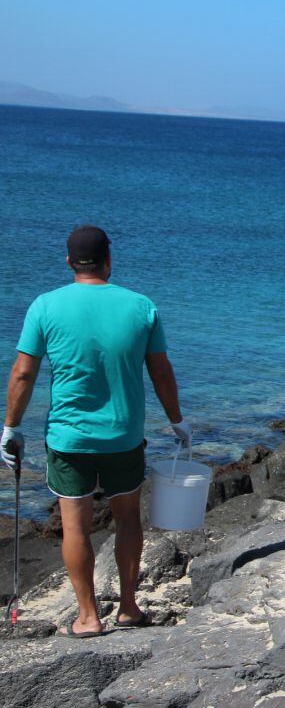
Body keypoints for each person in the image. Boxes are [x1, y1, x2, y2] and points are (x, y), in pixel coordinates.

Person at [1, 225, 191, 637]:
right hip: (124, 436)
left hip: (69, 439)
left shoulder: (44, 306)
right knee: (127, 521)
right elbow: (160, 370)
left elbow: (22, 374)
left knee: (75, 526)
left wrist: (11, 427)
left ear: (69, 262)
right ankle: (128, 607)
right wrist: (176, 420)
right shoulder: (141, 306)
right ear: (109, 259)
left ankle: (87, 617)